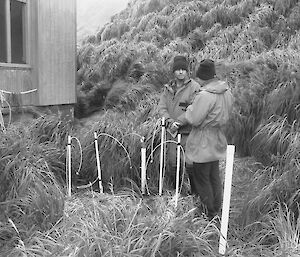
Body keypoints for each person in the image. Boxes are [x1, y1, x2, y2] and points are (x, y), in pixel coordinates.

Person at [176, 59, 233, 219]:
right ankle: (217, 208)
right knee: (214, 175)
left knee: (202, 177)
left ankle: (209, 213)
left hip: (203, 140)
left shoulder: (205, 95)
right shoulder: (226, 91)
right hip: (217, 137)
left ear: (203, 76)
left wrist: (189, 109)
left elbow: (194, 119)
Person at [158, 55, 201, 190]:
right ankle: (178, 193)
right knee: (173, 164)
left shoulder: (194, 87)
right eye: (178, 69)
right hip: (173, 133)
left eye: (183, 69)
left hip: (189, 132)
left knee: (190, 165)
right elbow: (162, 107)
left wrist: (179, 122)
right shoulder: (168, 88)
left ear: (187, 71)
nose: (181, 72)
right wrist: (170, 121)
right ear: (173, 71)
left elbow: (194, 108)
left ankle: (195, 193)